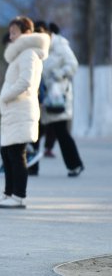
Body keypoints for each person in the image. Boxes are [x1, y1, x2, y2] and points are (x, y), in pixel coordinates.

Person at [0, 16, 50, 209]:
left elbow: (26, 82)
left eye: (15, 32)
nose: (11, 35)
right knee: (7, 152)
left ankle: (19, 196)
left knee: (17, 153)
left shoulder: (29, 53)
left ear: (27, 33)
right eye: (10, 32)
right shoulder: (21, 53)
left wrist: (5, 96)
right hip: (13, 111)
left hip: (21, 109)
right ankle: (8, 193)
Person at [40, 23, 84, 177]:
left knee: (61, 133)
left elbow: (73, 65)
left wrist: (59, 74)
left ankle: (75, 164)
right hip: (42, 97)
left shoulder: (61, 46)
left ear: (49, 32)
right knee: (34, 133)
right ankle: (30, 167)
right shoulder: (38, 47)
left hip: (57, 96)